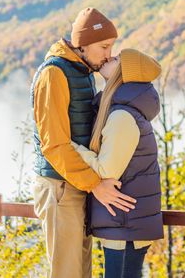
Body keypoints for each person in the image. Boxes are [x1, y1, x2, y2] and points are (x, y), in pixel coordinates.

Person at [31, 7, 137, 278]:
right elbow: (53, 144)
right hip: (60, 188)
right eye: (104, 46)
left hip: (77, 184)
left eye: (111, 47)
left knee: (82, 272)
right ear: (82, 43)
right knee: (67, 273)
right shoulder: (54, 74)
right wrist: (95, 185)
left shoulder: (83, 71)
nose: (109, 55)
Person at [72, 49, 164, 278]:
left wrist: (70, 148)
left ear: (125, 73)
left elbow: (107, 170)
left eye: (117, 59)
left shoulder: (122, 116)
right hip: (126, 222)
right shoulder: (123, 111)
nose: (110, 57)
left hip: (124, 224)